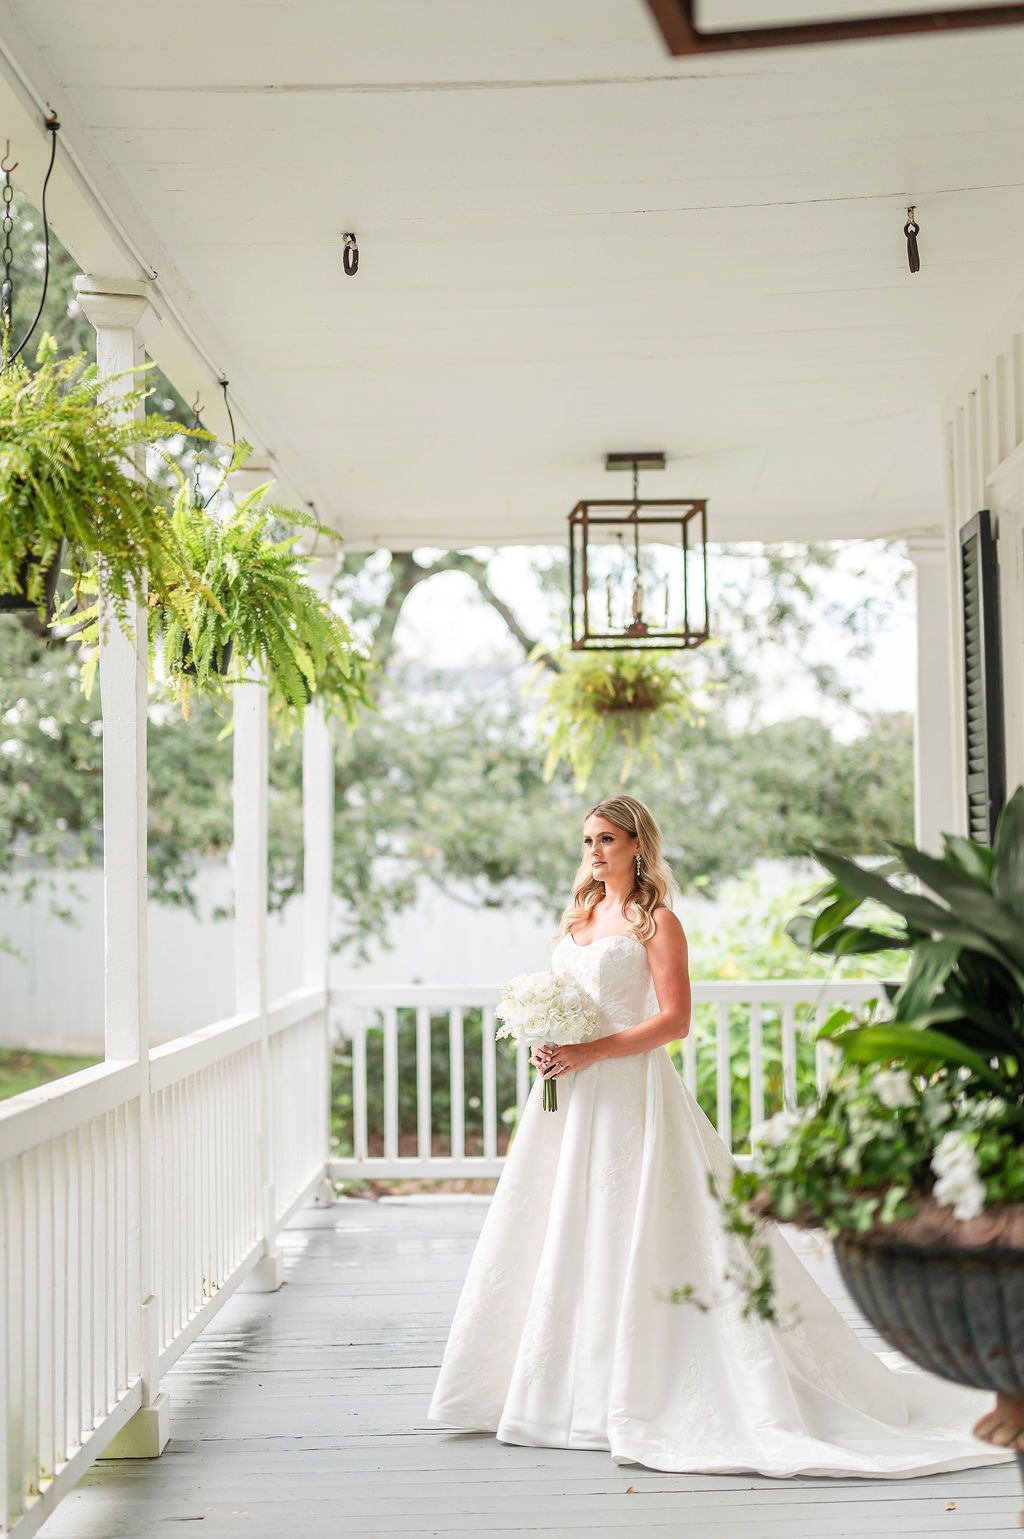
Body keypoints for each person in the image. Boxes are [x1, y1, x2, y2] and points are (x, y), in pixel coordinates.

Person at [426, 795, 1012, 1478]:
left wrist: (592, 1050)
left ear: (638, 845)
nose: (594, 851)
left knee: (634, 1225)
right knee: (561, 1228)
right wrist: (548, 1044)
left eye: (607, 839)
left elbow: (673, 1022)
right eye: (588, 839)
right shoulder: (578, 917)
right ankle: (551, 1392)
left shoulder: (657, 922)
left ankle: (628, 1392)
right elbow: (565, 1003)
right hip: (568, 1101)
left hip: (631, 1095)